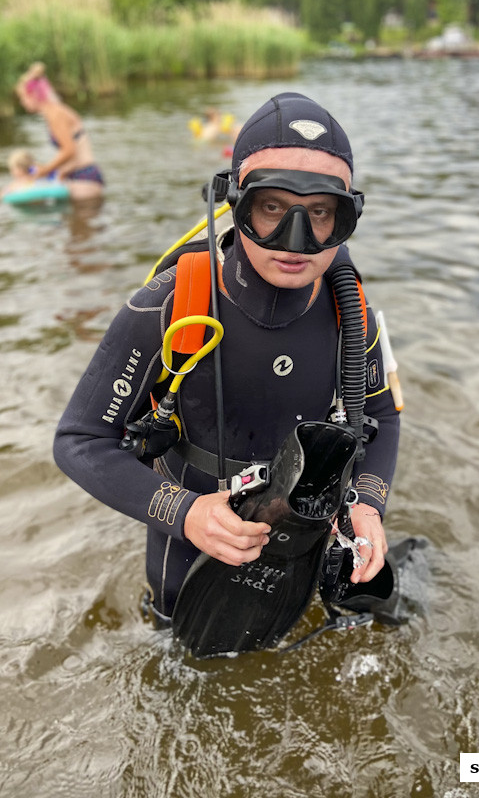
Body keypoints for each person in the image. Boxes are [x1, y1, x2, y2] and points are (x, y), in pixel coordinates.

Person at [53, 92, 401, 635]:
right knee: (176, 664)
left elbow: (386, 419)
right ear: (234, 202)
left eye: (320, 214)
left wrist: (369, 506)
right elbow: (79, 440)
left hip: (300, 538)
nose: (296, 242)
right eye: (271, 208)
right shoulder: (171, 307)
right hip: (185, 544)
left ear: (346, 216)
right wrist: (184, 513)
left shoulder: (351, 312)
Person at [15, 62, 105, 201]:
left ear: (33, 94)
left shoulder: (56, 114)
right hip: (79, 176)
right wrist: (54, 171)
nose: (22, 102)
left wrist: (45, 170)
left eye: (23, 97)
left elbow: (69, 150)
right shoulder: (54, 112)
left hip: (84, 178)